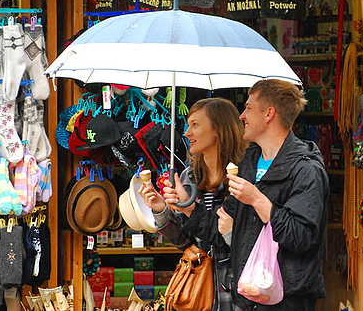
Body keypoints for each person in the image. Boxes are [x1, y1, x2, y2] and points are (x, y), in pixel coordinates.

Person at [164, 80, 329, 310]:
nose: (242, 116)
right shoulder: (248, 165)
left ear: (269, 113)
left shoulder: (306, 169)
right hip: (247, 299)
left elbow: (301, 236)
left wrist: (257, 200)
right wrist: (187, 206)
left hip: (286, 301)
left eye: (249, 108)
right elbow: (219, 231)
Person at [139, 97, 247, 311]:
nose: (187, 133)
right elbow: (186, 243)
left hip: (236, 295)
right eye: (188, 125)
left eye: (195, 125)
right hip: (197, 293)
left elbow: (244, 244)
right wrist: (161, 209)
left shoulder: (243, 178)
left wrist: (188, 208)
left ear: (219, 129)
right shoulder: (189, 177)